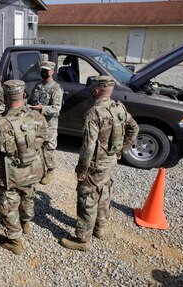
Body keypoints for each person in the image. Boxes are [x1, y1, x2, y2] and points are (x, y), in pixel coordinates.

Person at [61, 76, 139, 251]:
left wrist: (81, 170)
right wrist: (122, 150)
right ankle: (99, 229)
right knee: (104, 193)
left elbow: (88, 147)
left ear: (96, 91)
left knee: (87, 198)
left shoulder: (94, 113)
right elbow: (134, 127)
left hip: (95, 164)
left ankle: (82, 240)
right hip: (110, 161)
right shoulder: (118, 107)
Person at [0, 80, 48, 255]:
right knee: (28, 196)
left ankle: (14, 240)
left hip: (10, 175)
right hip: (33, 170)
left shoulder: (0, 124)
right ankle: (26, 223)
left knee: (8, 204)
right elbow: (46, 141)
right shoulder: (37, 118)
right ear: (24, 95)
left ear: (5, 97)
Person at [29, 61, 64, 185]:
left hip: (49, 124)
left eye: (46, 70)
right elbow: (32, 101)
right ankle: (39, 170)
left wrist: (41, 108)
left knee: (48, 147)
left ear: (52, 72)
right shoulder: (38, 86)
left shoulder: (56, 88)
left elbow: (56, 108)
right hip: (37, 123)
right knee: (37, 146)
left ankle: (50, 170)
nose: (43, 72)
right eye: (42, 70)